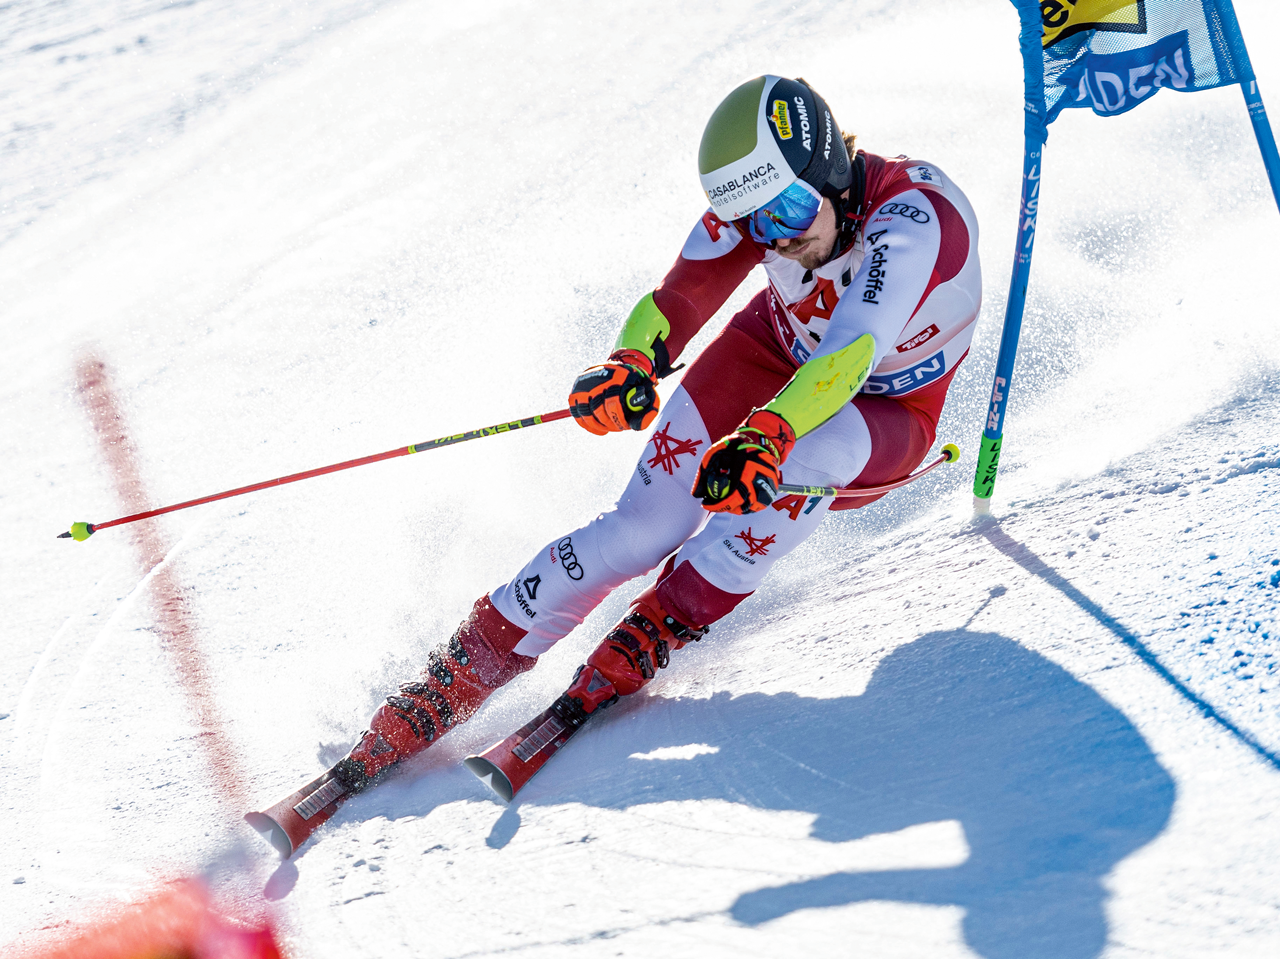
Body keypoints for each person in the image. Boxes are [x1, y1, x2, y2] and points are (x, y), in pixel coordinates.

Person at [250, 75, 981, 852]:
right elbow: (678, 298)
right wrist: (629, 359)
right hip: (771, 352)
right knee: (644, 524)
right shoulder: (767, 204)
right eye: (755, 226)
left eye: (791, 214)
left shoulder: (913, 219)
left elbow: (850, 353)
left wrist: (767, 434)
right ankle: (464, 665)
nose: (777, 238)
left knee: (806, 456)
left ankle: (665, 619)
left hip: (882, 409)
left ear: (829, 167)